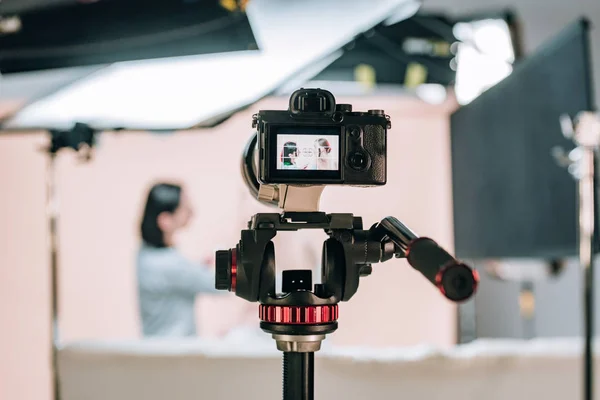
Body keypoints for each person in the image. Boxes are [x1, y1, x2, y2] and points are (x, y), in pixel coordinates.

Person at [136, 182, 219, 337]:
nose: (192, 212)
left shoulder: (146, 254)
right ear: (165, 220)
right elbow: (219, 285)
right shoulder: (169, 265)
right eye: (185, 208)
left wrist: (198, 269)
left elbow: (182, 277)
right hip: (173, 350)